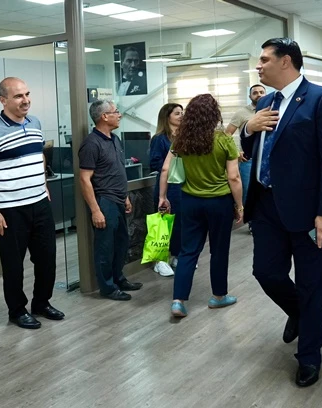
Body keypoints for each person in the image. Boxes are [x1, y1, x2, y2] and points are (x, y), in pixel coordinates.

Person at [241, 38, 322, 387]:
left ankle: (309, 357)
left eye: (264, 59)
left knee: (312, 284)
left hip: (310, 212)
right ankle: (299, 312)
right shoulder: (266, 102)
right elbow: (251, 149)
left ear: (285, 61)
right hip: (266, 206)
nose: (258, 66)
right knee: (266, 273)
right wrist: (248, 128)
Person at [0, 77, 63, 330]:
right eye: (18, 96)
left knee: (47, 259)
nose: (25, 100)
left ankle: (41, 303)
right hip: (10, 209)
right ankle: (17, 310)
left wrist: (44, 185)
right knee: (13, 265)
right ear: (3, 100)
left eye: (27, 94)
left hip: (40, 204)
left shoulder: (35, 123)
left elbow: (39, 157)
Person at [158, 94, 243, 318]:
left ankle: (178, 301)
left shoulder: (181, 140)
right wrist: (240, 205)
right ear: (214, 114)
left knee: (188, 251)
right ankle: (218, 297)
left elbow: (166, 169)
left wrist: (162, 197)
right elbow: (234, 178)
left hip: (190, 201)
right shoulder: (224, 140)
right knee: (219, 251)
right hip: (219, 203)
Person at [79, 99, 144, 301]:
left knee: (121, 243)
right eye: (116, 112)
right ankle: (107, 288)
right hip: (104, 201)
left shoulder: (114, 139)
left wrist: (125, 197)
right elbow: (84, 179)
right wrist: (95, 210)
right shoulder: (91, 144)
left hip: (118, 199)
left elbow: (116, 171)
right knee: (105, 247)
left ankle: (118, 279)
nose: (119, 115)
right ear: (104, 116)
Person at [149, 103, 183, 277]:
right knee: (162, 222)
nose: (181, 115)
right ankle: (159, 260)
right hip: (167, 184)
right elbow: (154, 162)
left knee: (179, 223)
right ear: (167, 116)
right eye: (177, 113)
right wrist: (172, 165)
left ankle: (176, 255)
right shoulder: (160, 138)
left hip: (182, 185)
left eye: (182, 112)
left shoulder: (184, 136)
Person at [226, 84, 267, 205]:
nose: (259, 95)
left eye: (261, 92)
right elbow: (227, 135)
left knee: (267, 193)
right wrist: (236, 152)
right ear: (250, 96)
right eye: (255, 93)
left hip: (268, 159)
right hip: (248, 160)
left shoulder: (272, 110)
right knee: (248, 193)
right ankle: (245, 216)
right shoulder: (241, 113)